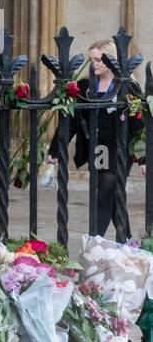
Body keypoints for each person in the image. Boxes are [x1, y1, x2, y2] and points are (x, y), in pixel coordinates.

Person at [50, 39, 144, 239]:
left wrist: (143, 158)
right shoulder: (84, 86)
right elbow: (71, 120)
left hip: (119, 149)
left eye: (99, 59)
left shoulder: (127, 86)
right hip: (98, 148)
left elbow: (139, 127)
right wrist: (56, 149)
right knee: (111, 194)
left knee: (105, 192)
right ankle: (125, 241)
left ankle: (94, 239)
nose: (94, 64)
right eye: (91, 59)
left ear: (111, 60)